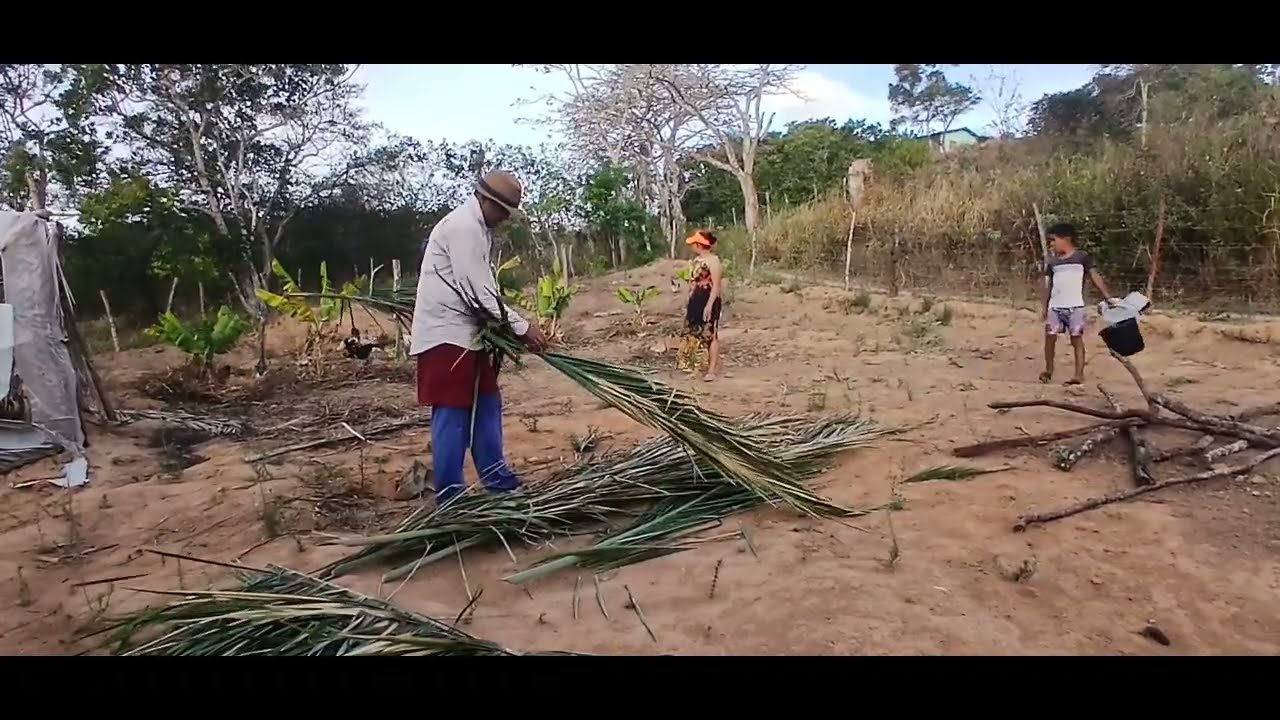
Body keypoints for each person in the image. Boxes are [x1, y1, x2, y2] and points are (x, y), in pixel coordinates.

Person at [409, 170, 548, 505]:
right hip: (446, 337)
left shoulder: (477, 229)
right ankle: (451, 499)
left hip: (468, 335)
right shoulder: (463, 227)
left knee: (487, 405)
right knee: (453, 415)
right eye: (501, 210)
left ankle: (498, 481)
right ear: (485, 200)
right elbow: (478, 294)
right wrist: (521, 327)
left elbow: (482, 292)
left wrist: (506, 327)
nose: (503, 219)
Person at [1039, 223, 1116, 386]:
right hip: (1055, 306)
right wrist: (1044, 307)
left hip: (1075, 306)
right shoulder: (1052, 262)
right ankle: (1049, 370)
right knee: (1050, 338)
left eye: (1053, 240)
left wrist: (1107, 296)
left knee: (1076, 339)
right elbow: (1049, 285)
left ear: (1066, 239)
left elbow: (1094, 276)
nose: (1051, 244)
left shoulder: (1082, 257)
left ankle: (1078, 375)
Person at [676, 230, 724, 381]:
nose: (692, 247)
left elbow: (716, 286)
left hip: (709, 298)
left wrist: (709, 305)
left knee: (711, 334)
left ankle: (712, 370)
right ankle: (696, 367)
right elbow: (692, 282)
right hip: (696, 299)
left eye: (694, 244)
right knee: (694, 333)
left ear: (700, 245)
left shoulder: (713, 261)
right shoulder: (696, 261)